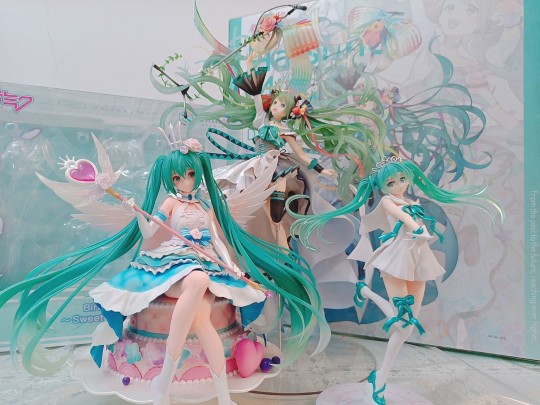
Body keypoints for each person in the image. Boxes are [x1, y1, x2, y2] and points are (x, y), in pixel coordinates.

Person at [0, 131, 331, 405]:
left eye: (190, 174)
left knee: (202, 317)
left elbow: (218, 242)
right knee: (197, 281)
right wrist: (138, 213)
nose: (185, 181)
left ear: (199, 173)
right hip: (172, 264)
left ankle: (215, 393)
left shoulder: (205, 205)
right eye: (177, 177)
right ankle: (171, 377)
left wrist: (235, 269)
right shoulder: (170, 203)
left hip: (205, 264)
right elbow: (149, 233)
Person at [288, 156, 502, 405]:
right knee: (401, 322)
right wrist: (418, 229)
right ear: (382, 186)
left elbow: (414, 221)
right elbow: (405, 219)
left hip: (419, 260)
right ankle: (378, 373)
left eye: (402, 179)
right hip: (396, 259)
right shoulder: (388, 202)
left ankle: (379, 375)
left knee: (407, 327)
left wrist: (422, 232)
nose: (398, 185)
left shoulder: (411, 201)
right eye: (391, 182)